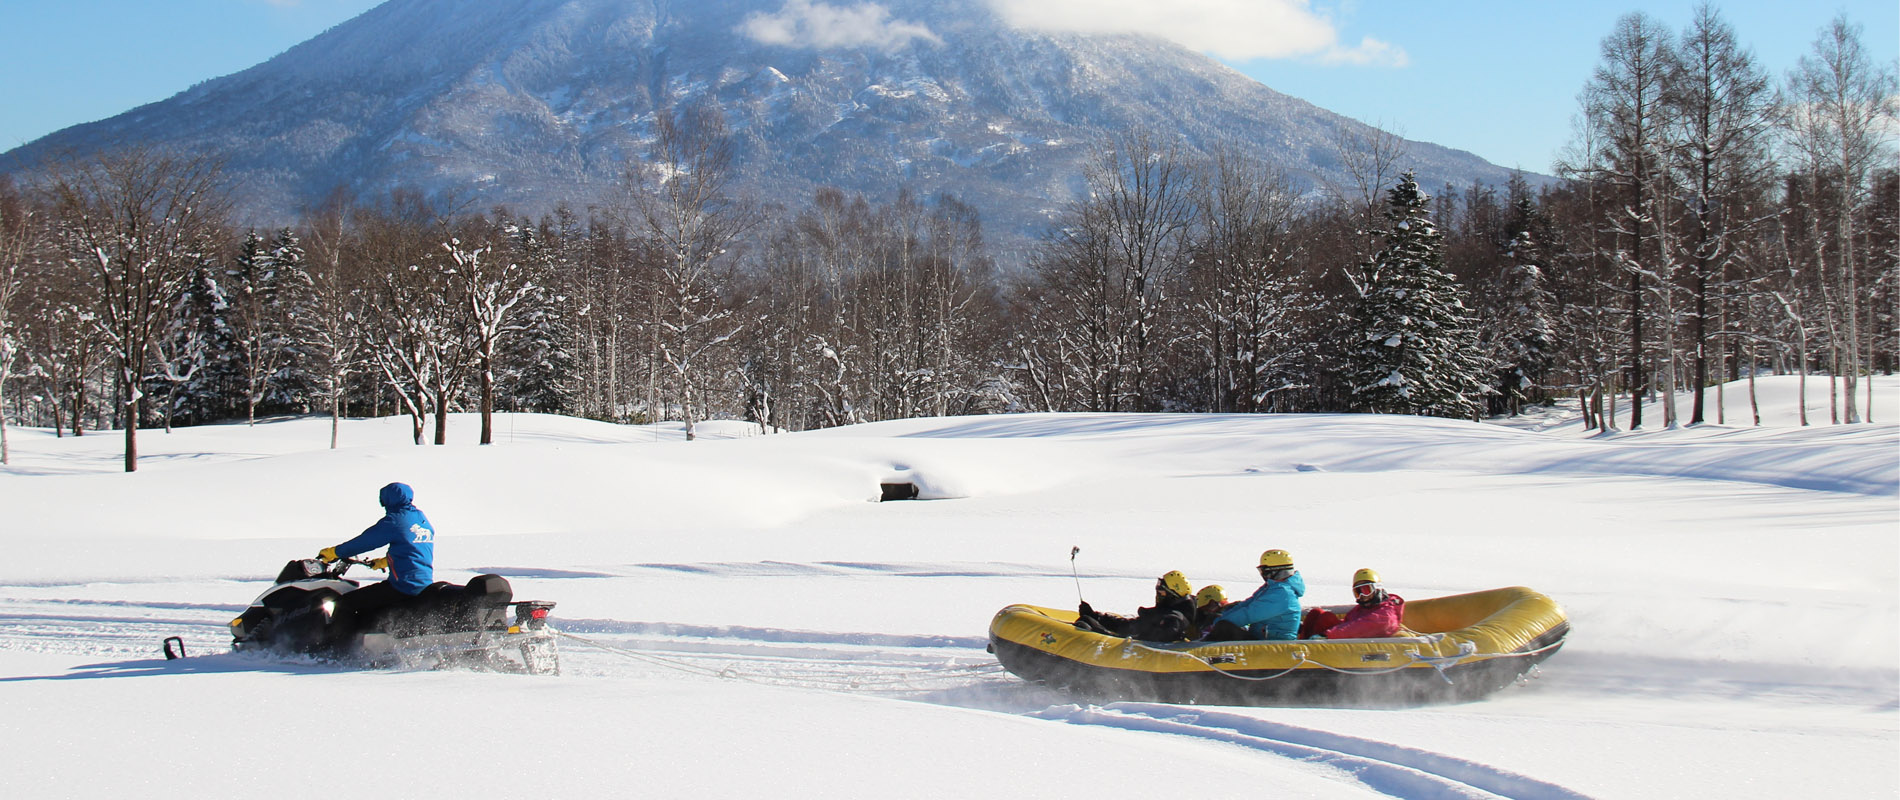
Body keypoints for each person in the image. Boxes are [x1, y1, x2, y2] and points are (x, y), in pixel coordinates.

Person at [317, 482, 437, 644]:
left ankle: (337, 649)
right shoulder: (420, 518)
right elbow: (413, 550)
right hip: (423, 584)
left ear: (388, 500)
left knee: (344, 603)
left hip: (403, 586)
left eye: (383, 501)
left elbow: (365, 542)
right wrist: (383, 562)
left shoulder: (395, 520)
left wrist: (334, 552)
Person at [1200, 549, 1305, 641]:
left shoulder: (1282, 595)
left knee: (1224, 628)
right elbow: (1246, 605)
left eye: (1265, 571)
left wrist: (1217, 624)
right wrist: (1219, 619)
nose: (1263, 575)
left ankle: (1200, 648)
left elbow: (1248, 614)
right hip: (1261, 639)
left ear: (1275, 572)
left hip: (1273, 644)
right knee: (1223, 624)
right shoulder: (1271, 588)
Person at [1075, 570, 1195, 642]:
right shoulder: (1170, 613)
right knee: (1088, 619)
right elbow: (1131, 626)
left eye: (1161, 592)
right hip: (1134, 643)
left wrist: (1105, 631)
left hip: (1138, 653)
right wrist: (1097, 616)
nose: (1158, 595)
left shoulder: (1172, 620)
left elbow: (1138, 634)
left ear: (1172, 595)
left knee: (1084, 624)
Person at [1300, 568, 1406, 639]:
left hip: (1359, 644)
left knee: (1325, 620)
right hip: (1348, 638)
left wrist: (1327, 635)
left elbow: (1359, 628)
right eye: (1358, 592)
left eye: (1366, 590)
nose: (1362, 596)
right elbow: (1349, 623)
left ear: (1378, 589)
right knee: (1319, 614)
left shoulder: (1386, 614)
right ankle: (1300, 643)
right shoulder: (1362, 609)